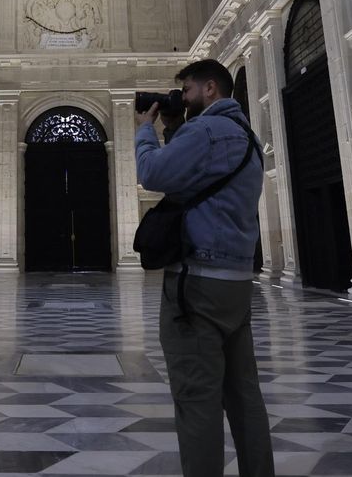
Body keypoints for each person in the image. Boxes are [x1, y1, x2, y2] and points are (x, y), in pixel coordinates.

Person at [136, 59, 275, 477]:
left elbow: (153, 172)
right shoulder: (247, 139)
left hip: (197, 286)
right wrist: (175, 125)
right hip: (236, 286)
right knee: (244, 397)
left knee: (196, 399)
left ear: (210, 88)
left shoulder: (205, 130)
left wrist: (146, 128)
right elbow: (197, 176)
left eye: (189, 91)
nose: (184, 99)